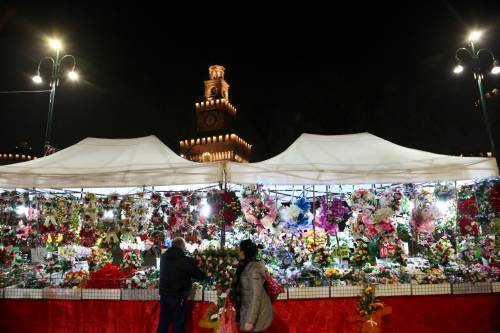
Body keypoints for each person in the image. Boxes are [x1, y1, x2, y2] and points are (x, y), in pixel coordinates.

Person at [157, 237, 207, 333]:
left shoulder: (164, 257)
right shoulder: (185, 260)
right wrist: (205, 274)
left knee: (163, 322)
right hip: (178, 296)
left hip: (164, 294)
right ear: (182, 246)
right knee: (178, 323)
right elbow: (198, 275)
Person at [231, 239, 273, 333]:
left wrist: (250, 320)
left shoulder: (253, 270)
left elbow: (255, 296)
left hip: (256, 316)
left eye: (240, 249)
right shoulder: (243, 266)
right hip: (247, 310)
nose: (238, 252)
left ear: (244, 252)